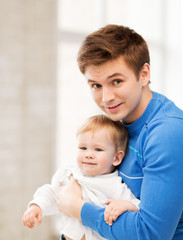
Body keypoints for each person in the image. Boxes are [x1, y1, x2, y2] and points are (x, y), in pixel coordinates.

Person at [56, 24, 183, 240]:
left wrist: (77, 208)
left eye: (117, 81)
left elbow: (150, 234)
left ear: (143, 74)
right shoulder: (116, 121)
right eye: (96, 85)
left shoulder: (167, 133)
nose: (106, 98)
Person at [22, 114, 140, 240]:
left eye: (98, 149)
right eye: (83, 148)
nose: (88, 154)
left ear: (116, 158)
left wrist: (125, 205)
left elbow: (138, 207)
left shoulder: (115, 185)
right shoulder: (70, 173)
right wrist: (37, 206)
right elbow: (52, 192)